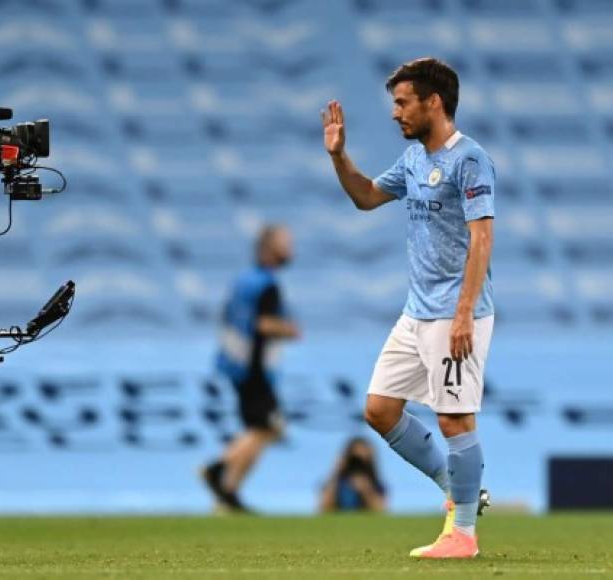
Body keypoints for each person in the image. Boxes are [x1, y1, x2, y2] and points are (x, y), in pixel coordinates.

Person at [321, 58, 493, 558]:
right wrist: (338, 157)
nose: (396, 114)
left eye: (402, 103)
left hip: (455, 312)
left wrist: (463, 314)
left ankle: (463, 534)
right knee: (379, 410)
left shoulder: (470, 160)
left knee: (454, 420)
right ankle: (458, 490)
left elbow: (482, 239)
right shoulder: (416, 160)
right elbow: (367, 197)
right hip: (416, 311)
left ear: (432, 102)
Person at [200, 225, 300, 512]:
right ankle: (218, 470)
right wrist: (288, 329)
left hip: (235, 360)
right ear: (268, 248)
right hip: (254, 365)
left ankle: (227, 494)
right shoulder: (267, 284)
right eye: (285, 242)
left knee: (262, 429)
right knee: (266, 427)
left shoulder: (245, 280)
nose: (290, 249)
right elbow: (263, 324)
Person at [319, 437, 386, 513]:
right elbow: (323, 508)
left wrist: (366, 490)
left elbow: (381, 511)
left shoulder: (375, 484)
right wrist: (336, 472)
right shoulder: (336, 482)